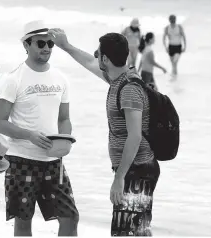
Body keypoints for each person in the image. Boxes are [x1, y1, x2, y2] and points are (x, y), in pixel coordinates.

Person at [48, 28, 160, 236]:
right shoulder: (120, 78)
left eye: (99, 53)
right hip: (134, 169)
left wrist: (119, 178)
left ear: (106, 59)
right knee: (133, 232)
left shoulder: (129, 90)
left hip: (137, 170)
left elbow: (134, 137)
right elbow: (90, 63)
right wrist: (66, 46)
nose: (95, 56)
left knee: (130, 233)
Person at [0, 20, 79, 236]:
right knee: (23, 221)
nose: (47, 48)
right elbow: (0, 122)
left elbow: (64, 118)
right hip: (21, 160)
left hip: (53, 161)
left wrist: (65, 140)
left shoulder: (61, 78)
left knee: (70, 217)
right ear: (26, 45)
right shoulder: (13, 79)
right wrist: (29, 135)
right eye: (41, 43)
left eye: (51, 44)